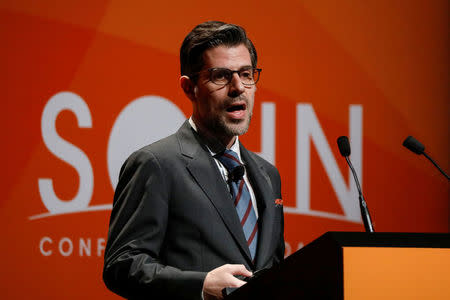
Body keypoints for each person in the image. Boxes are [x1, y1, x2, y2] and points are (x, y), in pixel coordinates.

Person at [103, 21, 285, 300]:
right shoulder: (157, 164)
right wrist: (200, 286)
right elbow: (122, 264)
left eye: (246, 74)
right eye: (221, 76)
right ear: (190, 88)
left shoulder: (267, 175)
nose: (238, 87)